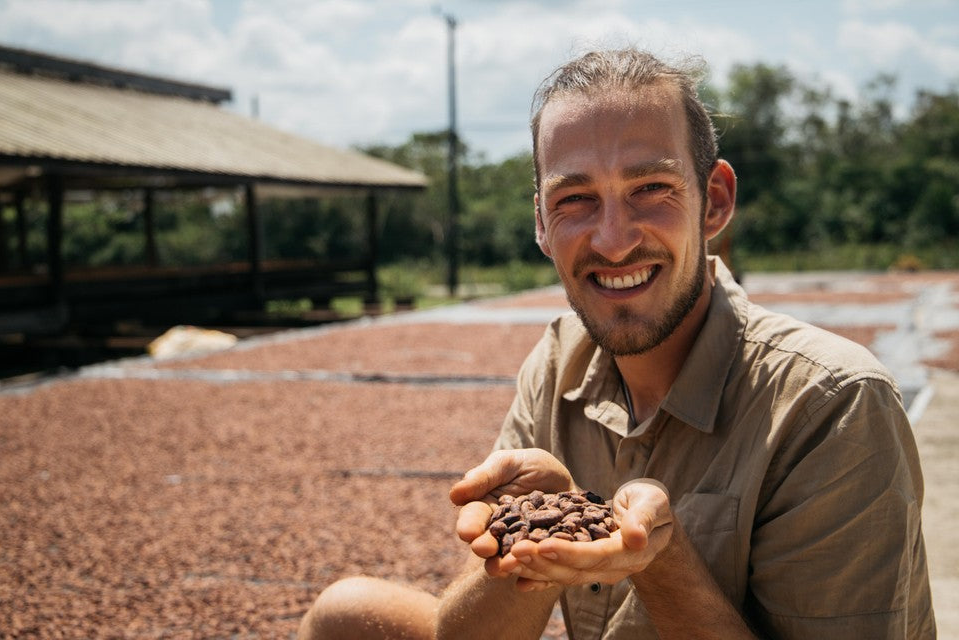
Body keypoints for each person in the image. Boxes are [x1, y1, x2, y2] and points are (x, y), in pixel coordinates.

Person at [299, 48, 936, 639]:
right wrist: (527, 545)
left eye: (649, 189)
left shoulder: (833, 404)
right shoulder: (558, 361)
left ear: (712, 202)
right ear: (543, 226)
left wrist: (661, 559)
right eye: (576, 199)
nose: (612, 240)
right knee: (346, 616)